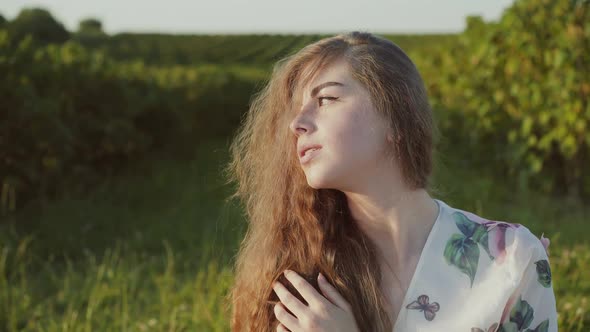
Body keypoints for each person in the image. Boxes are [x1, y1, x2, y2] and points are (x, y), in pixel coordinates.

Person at [222, 31, 558, 332]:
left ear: (396, 117)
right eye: (295, 108)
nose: (297, 123)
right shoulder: (298, 281)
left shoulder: (511, 261)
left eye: (326, 99)